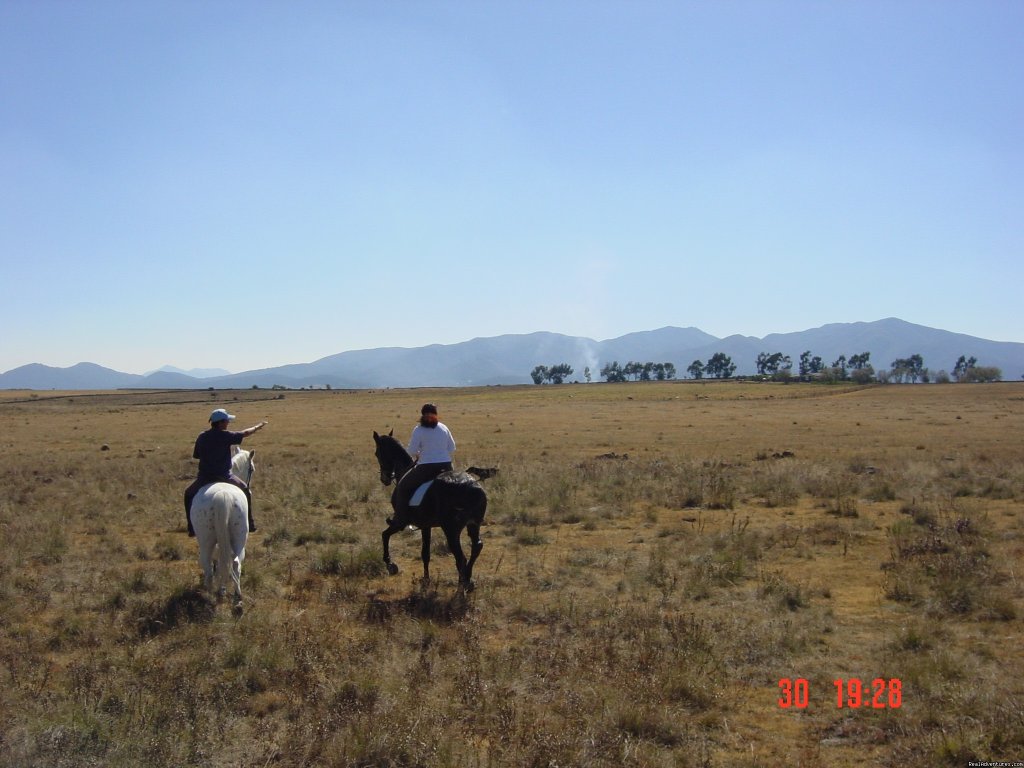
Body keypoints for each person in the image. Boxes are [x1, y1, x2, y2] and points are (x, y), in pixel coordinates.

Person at [183, 408, 267, 536]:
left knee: (188, 495)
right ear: (221, 423)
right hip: (225, 476)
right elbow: (245, 433)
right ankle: (250, 523)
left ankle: (191, 528)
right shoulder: (226, 435)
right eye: (227, 421)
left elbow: (197, 456)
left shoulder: (202, 436)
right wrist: (258, 427)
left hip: (204, 478)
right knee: (245, 490)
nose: (228, 423)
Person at [389, 403, 456, 528]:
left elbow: (411, 451)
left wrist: (419, 453)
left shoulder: (418, 430)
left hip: (426, 467)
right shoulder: (444, 427)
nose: (429, 417)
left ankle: (401, 519)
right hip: (447, 466)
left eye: (429, 415)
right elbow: (452, 447)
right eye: (428, 415)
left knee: (402, 487)